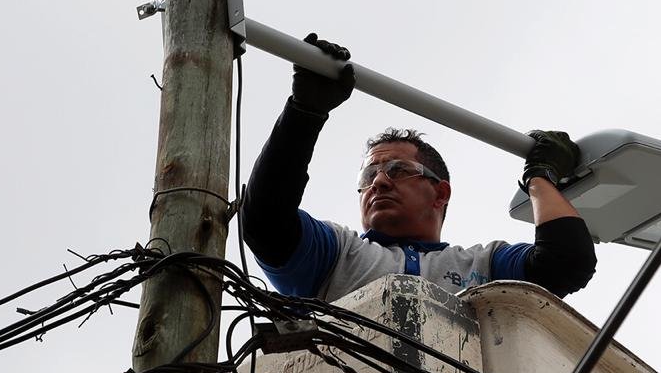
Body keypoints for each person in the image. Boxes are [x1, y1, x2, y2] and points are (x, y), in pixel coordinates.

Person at [240, 34, 597, 302]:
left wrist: (539, 176)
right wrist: (305, 112)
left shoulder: (485, 267)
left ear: (440, 193)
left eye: (397, 170)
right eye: (369, 176)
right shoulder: (337, 254)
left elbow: (566, 263)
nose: (378, 181)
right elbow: (264, 220)